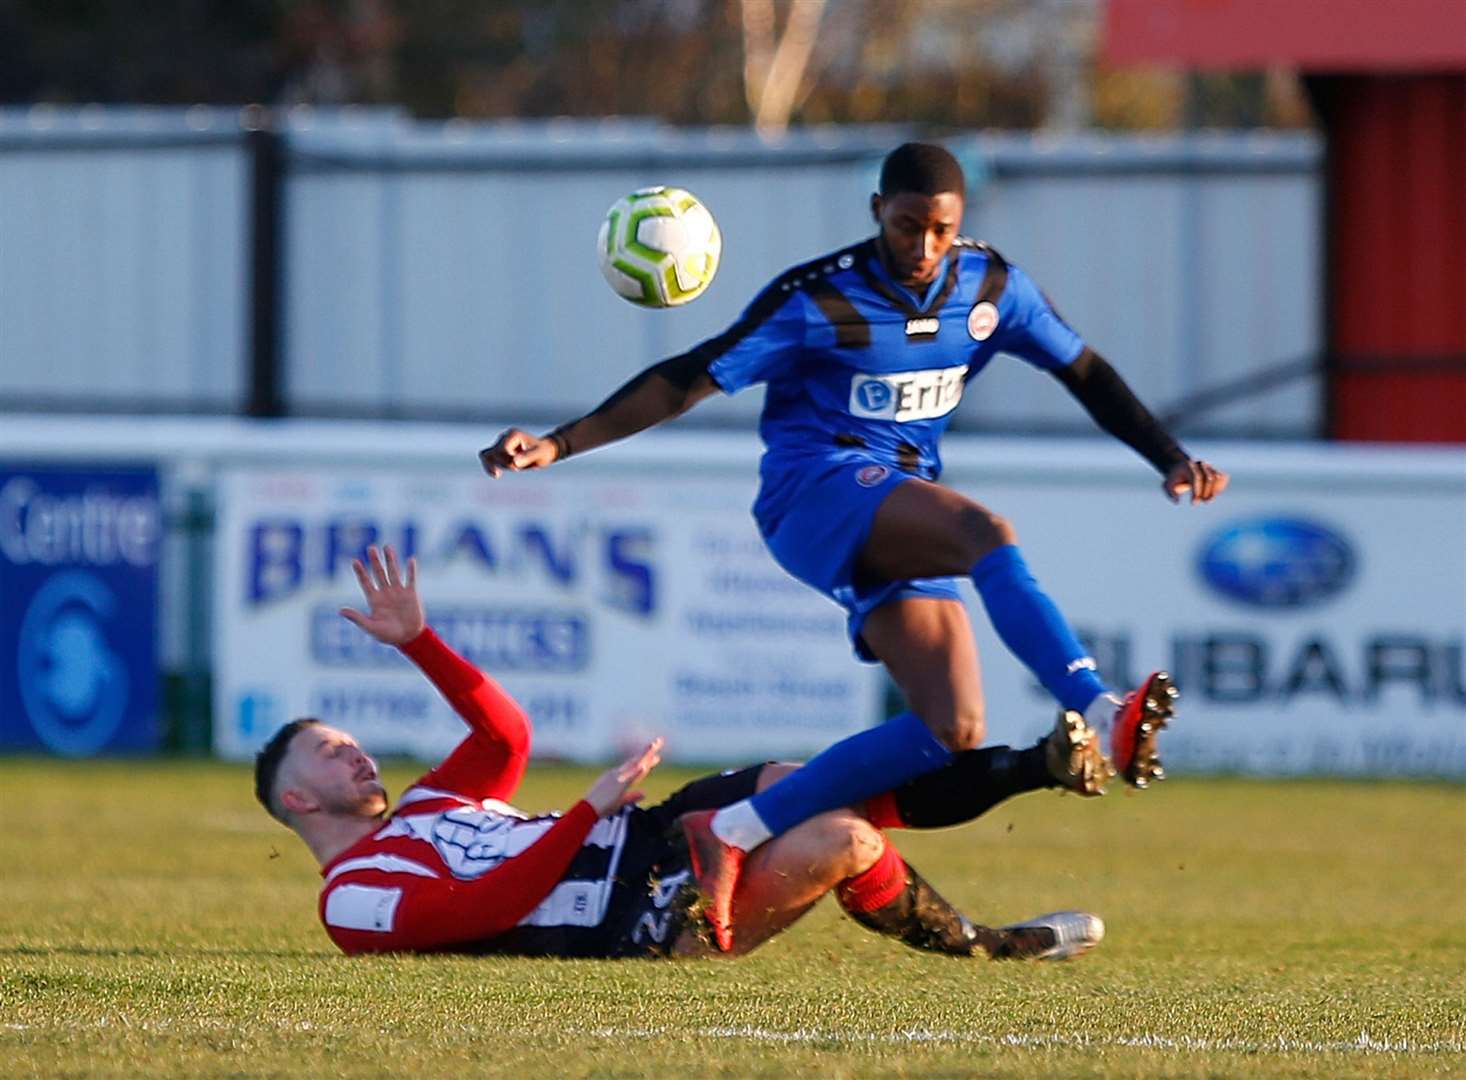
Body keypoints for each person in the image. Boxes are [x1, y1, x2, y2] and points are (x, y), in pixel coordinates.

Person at [479, 141, 1229, 949]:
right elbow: (687, 376)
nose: (924, 247)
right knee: (985, 533)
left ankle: (728, 829)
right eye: (908, 226)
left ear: (960, 222)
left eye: (941, 229)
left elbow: (1082, 369)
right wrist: (559, 443)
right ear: (876, 211)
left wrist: (1170, 456)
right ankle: (1097, 705)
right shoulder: (819, 298)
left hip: (895, 508)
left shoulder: (991, 287)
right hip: (814, 493)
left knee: (950, 730)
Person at [254, 545, 1105, 962]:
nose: (358, 757)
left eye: (353, 743)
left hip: (652, 835)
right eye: (332, 753)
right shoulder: (351, 900)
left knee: (793, 781)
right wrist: (589, 809)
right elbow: (484, 911)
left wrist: (421, 643)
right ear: (296, 801)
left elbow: (504, 736)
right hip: (634, 920)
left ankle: (1039, 765)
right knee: (845, 839)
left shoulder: (428, 805)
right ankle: (987, 944)